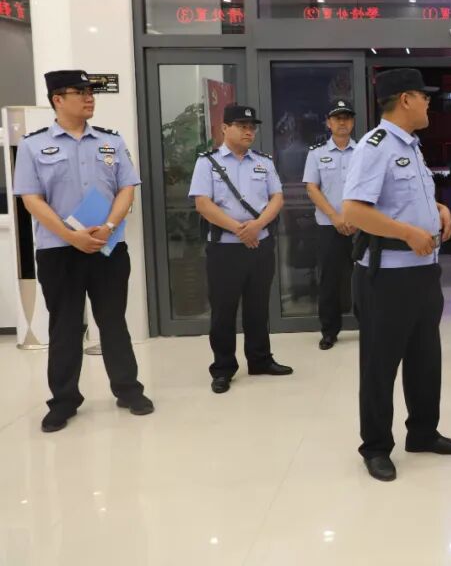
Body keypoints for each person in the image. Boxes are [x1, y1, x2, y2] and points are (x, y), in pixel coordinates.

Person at [13, 70, 154, 433]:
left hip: (107, 245)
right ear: (57, 99)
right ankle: (63, 400)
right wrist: (70, 235)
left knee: (113, 321)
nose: (89, 97)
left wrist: (108, 226)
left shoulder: (111, 141)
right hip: (59, 250)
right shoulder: (32, 146)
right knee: (65, 325)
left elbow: (127, 189)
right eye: (80, 92)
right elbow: (31, 199)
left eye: (91, 91)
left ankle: (128, 390)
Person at [342, 68, 451, 482]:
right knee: (380, 366)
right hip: (387, 277)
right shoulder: (375, 146)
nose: (429, 103)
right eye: (424, 96)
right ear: (406, 99)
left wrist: (439, 210)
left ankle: (423, 433)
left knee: (425, 359)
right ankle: (376, 447)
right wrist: (408, 232)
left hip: (423, 274)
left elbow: (406, 198)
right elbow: (354, 211)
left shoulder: (411, 145)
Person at [188, 104, 293, 394]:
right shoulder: (207, 162)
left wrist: (256, 226)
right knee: (224, 310)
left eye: (252, 127)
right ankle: (223, 368)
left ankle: (260, 359)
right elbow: (203, 204)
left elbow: (277, 197)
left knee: (258, 306)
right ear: (225, 128)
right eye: (242, 126)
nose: (249, 131)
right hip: (225, 249)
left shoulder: (263, 161)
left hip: (260, 244)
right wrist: (240, 229)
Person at [302, 98, 358, 350]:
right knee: (329, 280)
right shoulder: (317, 153)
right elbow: (312, 188)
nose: (342, 122)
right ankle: (329, 331)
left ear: (352, 122)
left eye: (346, 117)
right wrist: (335, 218)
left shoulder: (364, 151)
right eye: (337, 118)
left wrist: (356, 219)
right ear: (328, 123)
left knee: (365, 278)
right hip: (329, 227)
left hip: (361, 227)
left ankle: (369, 325)